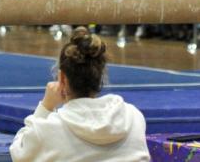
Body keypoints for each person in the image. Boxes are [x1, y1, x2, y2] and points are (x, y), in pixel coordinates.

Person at [9, 27, 149, 162]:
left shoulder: (47, 129)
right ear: (100, 75)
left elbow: (18, 153)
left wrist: (45, 107)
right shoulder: (133, 117)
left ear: (62, 78)